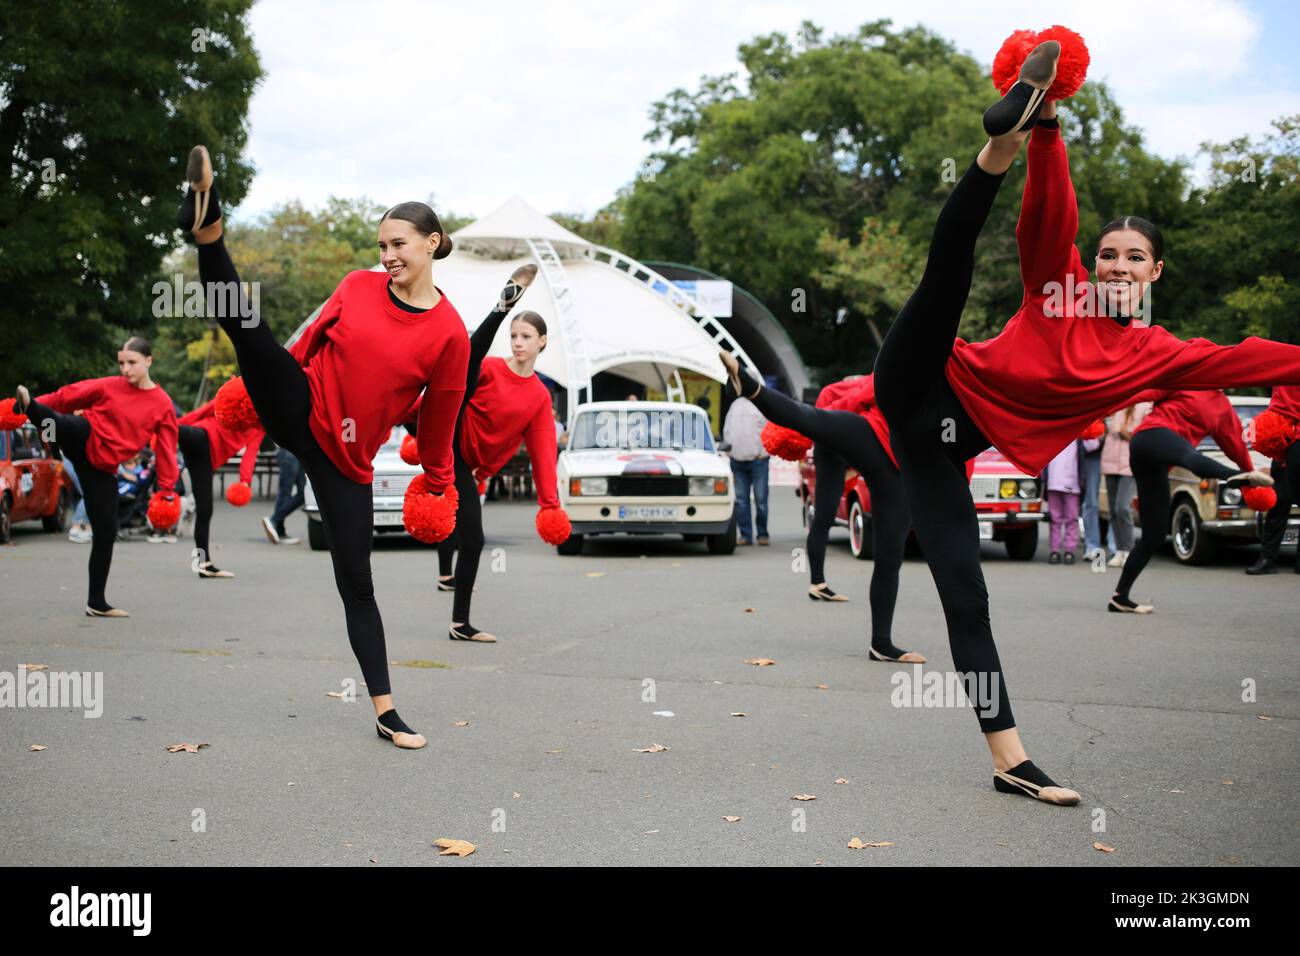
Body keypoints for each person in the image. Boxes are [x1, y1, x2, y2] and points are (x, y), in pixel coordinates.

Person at [866, 41, 1300, 805]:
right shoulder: (1056, 281)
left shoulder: (1158, 354)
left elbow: (1251, 358)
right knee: (948, 268)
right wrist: (1047, 130)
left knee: (966, 594)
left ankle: (1011, 761)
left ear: (1156, 272)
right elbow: (1050, 211)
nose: (1118, 266)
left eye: (1135, 257)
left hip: (938, 451)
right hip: (923, 378)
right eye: (1109, 254)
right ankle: (1002, 138)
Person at [174, 144, 531, 749]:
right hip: (302, 405)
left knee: (357, 585)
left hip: (348, 460)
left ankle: (387, 711)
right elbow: (309, 342)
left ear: (433, 243)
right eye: (382, 246)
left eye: (399, 244)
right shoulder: (355, 286)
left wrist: (439, 485)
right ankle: (209, 233)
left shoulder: (447, 333)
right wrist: (266, 390)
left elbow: (440, 420)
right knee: (248, 329)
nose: (387, 256)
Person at [720, 360, 929, 663]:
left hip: (858, 440)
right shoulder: (921, 374)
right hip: (882, 450)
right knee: (884, 554)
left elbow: (838, 404)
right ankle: (872, 634)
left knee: (828, 514)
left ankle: (822, 586)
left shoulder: (872, 380)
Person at [16, 337, 179, 617]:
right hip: (84, 436)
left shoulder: (162, 403)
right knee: (69, 424)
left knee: (106, 532)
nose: (125, 369)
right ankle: (32, 409)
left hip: (102, 467)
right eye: (121, 363)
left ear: (149, 362)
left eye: (132, 363)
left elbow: (166, 447)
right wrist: (25, 408)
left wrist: (166, 489)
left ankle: (96, 602)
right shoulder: (110, 385)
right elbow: (68, 396)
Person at [434, 305, 565, 643]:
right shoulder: (490, 369)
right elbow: (449, 394)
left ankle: (456, 615)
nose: (518, 343)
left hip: (474, 467)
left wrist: (550, 505)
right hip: (452, 449)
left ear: (542, 342)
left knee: (465, 534)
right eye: (513, 336)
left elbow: (542, 450)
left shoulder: (538, 396)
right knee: (474, 537)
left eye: (526, 337)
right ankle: (460, 624)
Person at [177, 398, 265, 576]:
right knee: (171, 428)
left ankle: (204, 565)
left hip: (204, 457)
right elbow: (201, 412)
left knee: (205, 510)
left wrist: (244, 482)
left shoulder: (260, 421)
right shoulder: (235, 396)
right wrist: (172, 427)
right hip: (200, 437)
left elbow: (250, 453)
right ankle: (147, 424)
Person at [1247, 385, 1300, 574]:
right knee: (1277, 503)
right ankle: (1267, 558)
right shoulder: (1283, 363)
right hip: (1280, 438)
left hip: (1295, 438)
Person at [1101, 401, 1149, 567]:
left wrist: (1124, 432)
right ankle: (1120, 551)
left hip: (1129, 464)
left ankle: (1129, 550)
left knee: (1122, 507)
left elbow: (1143, 437)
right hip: (1110, 462)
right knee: (1113, 510)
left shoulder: (1144, 407)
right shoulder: (1115, 406)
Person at [723, 390, 770, 545]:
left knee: (760, 500)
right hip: (737, 461)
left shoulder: (759, 405)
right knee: (742, 501)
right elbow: (728, 431)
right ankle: (746, 535)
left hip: (758, 460)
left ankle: (762, 533)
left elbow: (769, 430)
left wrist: (763, 453)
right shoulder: (735, 406)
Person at [263, 446, 306, 545]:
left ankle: (277, 526)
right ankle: (275, 523)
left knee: (303, 493)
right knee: (285, 491)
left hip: (297, 453)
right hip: (289, 451)